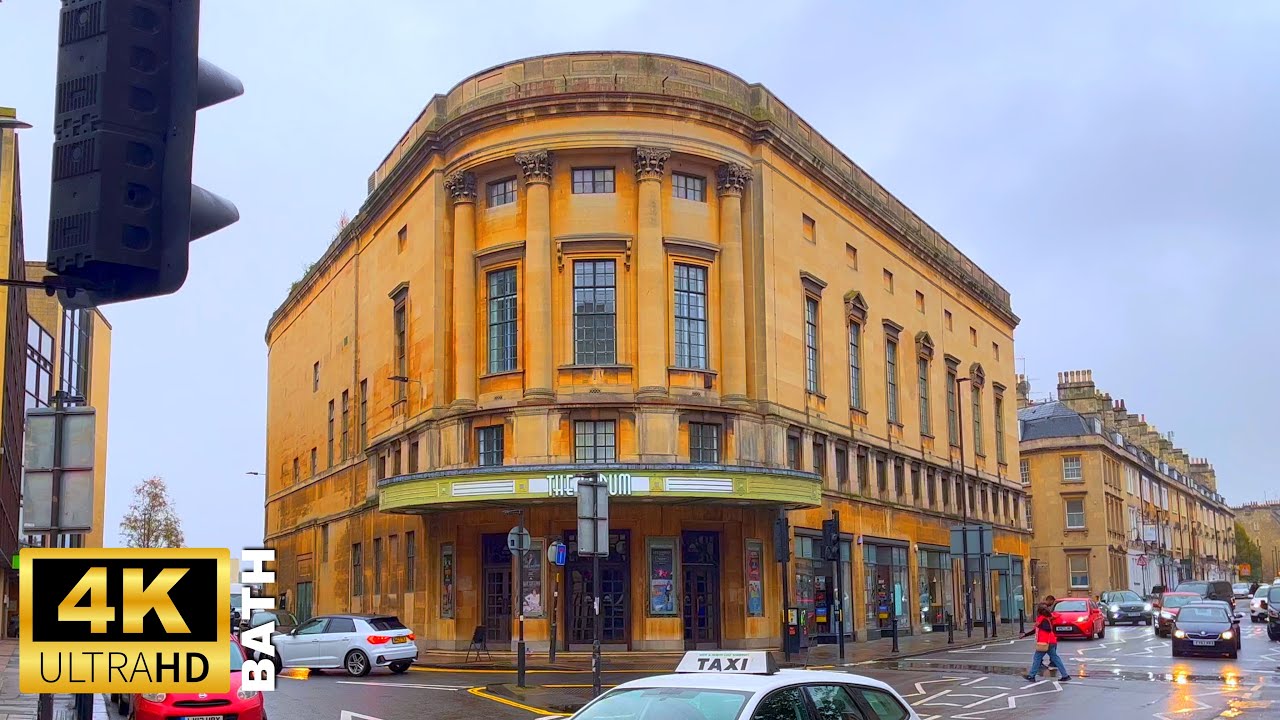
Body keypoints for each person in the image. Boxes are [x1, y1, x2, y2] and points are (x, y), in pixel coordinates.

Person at [1022, 605, 1070, 682]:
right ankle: (1065, 675)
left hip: (1045, 643)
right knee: (1056, 659)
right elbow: (1035, 630)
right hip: (1051, 641)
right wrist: (1025, 635)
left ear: (1038, 612)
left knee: (1037, 658)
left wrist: (1039, 626)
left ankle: (1032, 676)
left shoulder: (1042, 619)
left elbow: (1048, 629)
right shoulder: (1045, 618)